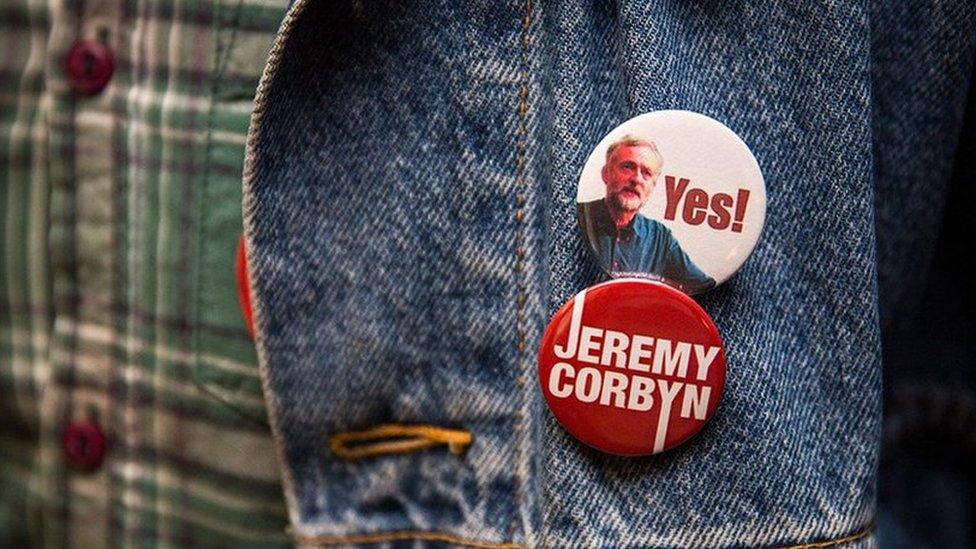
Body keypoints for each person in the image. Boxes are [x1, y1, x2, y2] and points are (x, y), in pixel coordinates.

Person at [578, 135, 715, 294]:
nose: (636, 179)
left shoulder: (660, 238)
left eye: (647, 173)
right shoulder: (581, 217)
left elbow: (706, 286)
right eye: (627, 167)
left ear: (652, 187)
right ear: (606, 174)